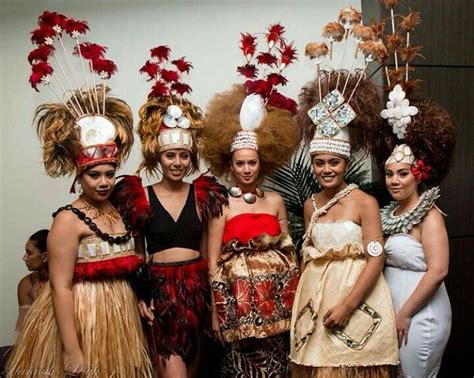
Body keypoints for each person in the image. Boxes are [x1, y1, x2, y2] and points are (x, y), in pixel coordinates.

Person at [7, 11, 152, 377]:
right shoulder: (68, 220)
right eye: (93, 175)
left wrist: (138, 302)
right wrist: (72, 350)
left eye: (109, 173)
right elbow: (59, 287)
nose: (103, 182)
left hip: (119, 320)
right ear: (79, 175)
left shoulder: (119, 211)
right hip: (84, 320)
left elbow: (128, 267)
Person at [290, 7, 399, 376]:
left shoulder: (365, 202)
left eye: (332, 163)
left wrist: (348, 305)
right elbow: (307, 259)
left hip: (355, 302)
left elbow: (376, 258)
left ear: (345, 162)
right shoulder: (310, 205)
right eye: (319, 163)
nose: (325, 170)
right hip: (315, 303)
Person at [114, 44, 228, 378]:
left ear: (191, 158)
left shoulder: (204, 195)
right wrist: (140, 296)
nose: (177, 163)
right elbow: (136, 254)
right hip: (160, 294)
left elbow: (210, 255)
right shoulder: (140, 197)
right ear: (158, 158)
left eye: (183, 156)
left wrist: (215, 309)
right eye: (170, 156)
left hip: (196, 291)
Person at [199, 25, 300, 377]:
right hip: (237, 312)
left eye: (252, 162)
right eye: (239, 163)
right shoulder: (221, 204)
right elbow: (211, 262)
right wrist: (215, 310)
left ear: (262, 162)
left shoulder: (275, 201)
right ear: (230, 164)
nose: (246, 169)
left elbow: (291, 254)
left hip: (278, 310)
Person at [374, 6, 456, 375]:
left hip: (420, 315)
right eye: (389, 173)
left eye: (402, 173)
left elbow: (438, 271)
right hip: (392, 313)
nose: (394, 180)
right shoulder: (387, 214)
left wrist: (405, 313)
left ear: (419, 174)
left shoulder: (430, 214)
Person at [15, 229, 49, 331]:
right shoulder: (27, 284)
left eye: (29, 253)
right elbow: (25, 329)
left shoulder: (70, 281)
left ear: (45, 256)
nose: (24, 258)